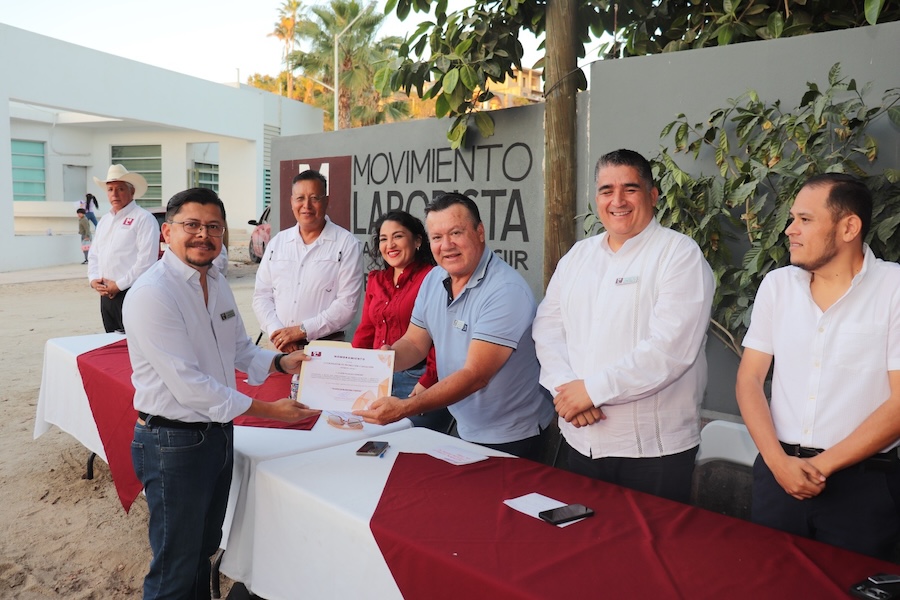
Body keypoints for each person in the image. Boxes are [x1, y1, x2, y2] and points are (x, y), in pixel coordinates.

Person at [124, 187, 319, 599]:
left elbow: (239, 347)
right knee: (175, 566)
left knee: (204, 548)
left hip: (217, 434)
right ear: (167, 232)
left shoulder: (214, 280)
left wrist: (280, 363)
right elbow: (190, 386)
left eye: (214, 227)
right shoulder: (152, 293)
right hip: (173, 441)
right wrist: (271, 410)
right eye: (191, 225)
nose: (203, 235)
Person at [532, 149, 714, 503]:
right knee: (584, 534)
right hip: (579, 440)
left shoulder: (679, 254)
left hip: (653, 452)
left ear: (652, 195)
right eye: (606, 190)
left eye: (630, 189)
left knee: (651, 539)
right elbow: (548, 328)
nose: (617, 201)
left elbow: (670, 350)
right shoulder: (578, 256)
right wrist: (566, 390)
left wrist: (591, 391)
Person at [736, 173, 900, 559]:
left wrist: (819, 467)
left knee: (851, 585)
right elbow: (749, 379)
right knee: (769, 581)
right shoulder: (777, 286)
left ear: (849, 227)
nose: (790, 230)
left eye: (805, 220)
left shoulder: (894, 289)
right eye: (793, 218)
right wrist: (778, 463)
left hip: (863, 488)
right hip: (777, 475)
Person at [354, 193, 555, 460]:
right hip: (466, 426)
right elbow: (414, 343)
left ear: (480, 232)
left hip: (513, 435)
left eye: (456, 233)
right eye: (437, 237)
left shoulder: (506, 290)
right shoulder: (434, 279)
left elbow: (475, 375)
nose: (446, 245)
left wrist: (405, 407)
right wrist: (387, 359)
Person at [351, 210, 451, 431]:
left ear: (417, 241)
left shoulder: (432, 278)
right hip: (377, 377)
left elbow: (440, 337)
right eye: (384, 239)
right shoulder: (376, 280)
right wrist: (355, 371)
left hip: (417, 378)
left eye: (398, 236)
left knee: (409, 440)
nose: (390, 245)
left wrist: (428, 380)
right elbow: (366, 331)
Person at [252, 169, 363, 352]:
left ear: (326, 201)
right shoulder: (277, 243)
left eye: (314, 198)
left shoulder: (347, 244)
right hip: (279, 346)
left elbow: (347, 304)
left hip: (325, 348)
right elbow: (261, 296)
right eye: (300, 198)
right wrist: (279, 333)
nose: (306, 205)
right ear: (292, 202)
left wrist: (301, 331)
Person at [87, 164, 160, 333]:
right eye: (110, 189)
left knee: (135, 341)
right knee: (112, 341)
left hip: (132, 292)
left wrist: (119, 285)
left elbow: (146, 261)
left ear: (132, 191)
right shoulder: (104, 221)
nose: (114, 194)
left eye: (120, 189)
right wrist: (93, 279)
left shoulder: (143, 219)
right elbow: (94, 254)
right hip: (106, 295)